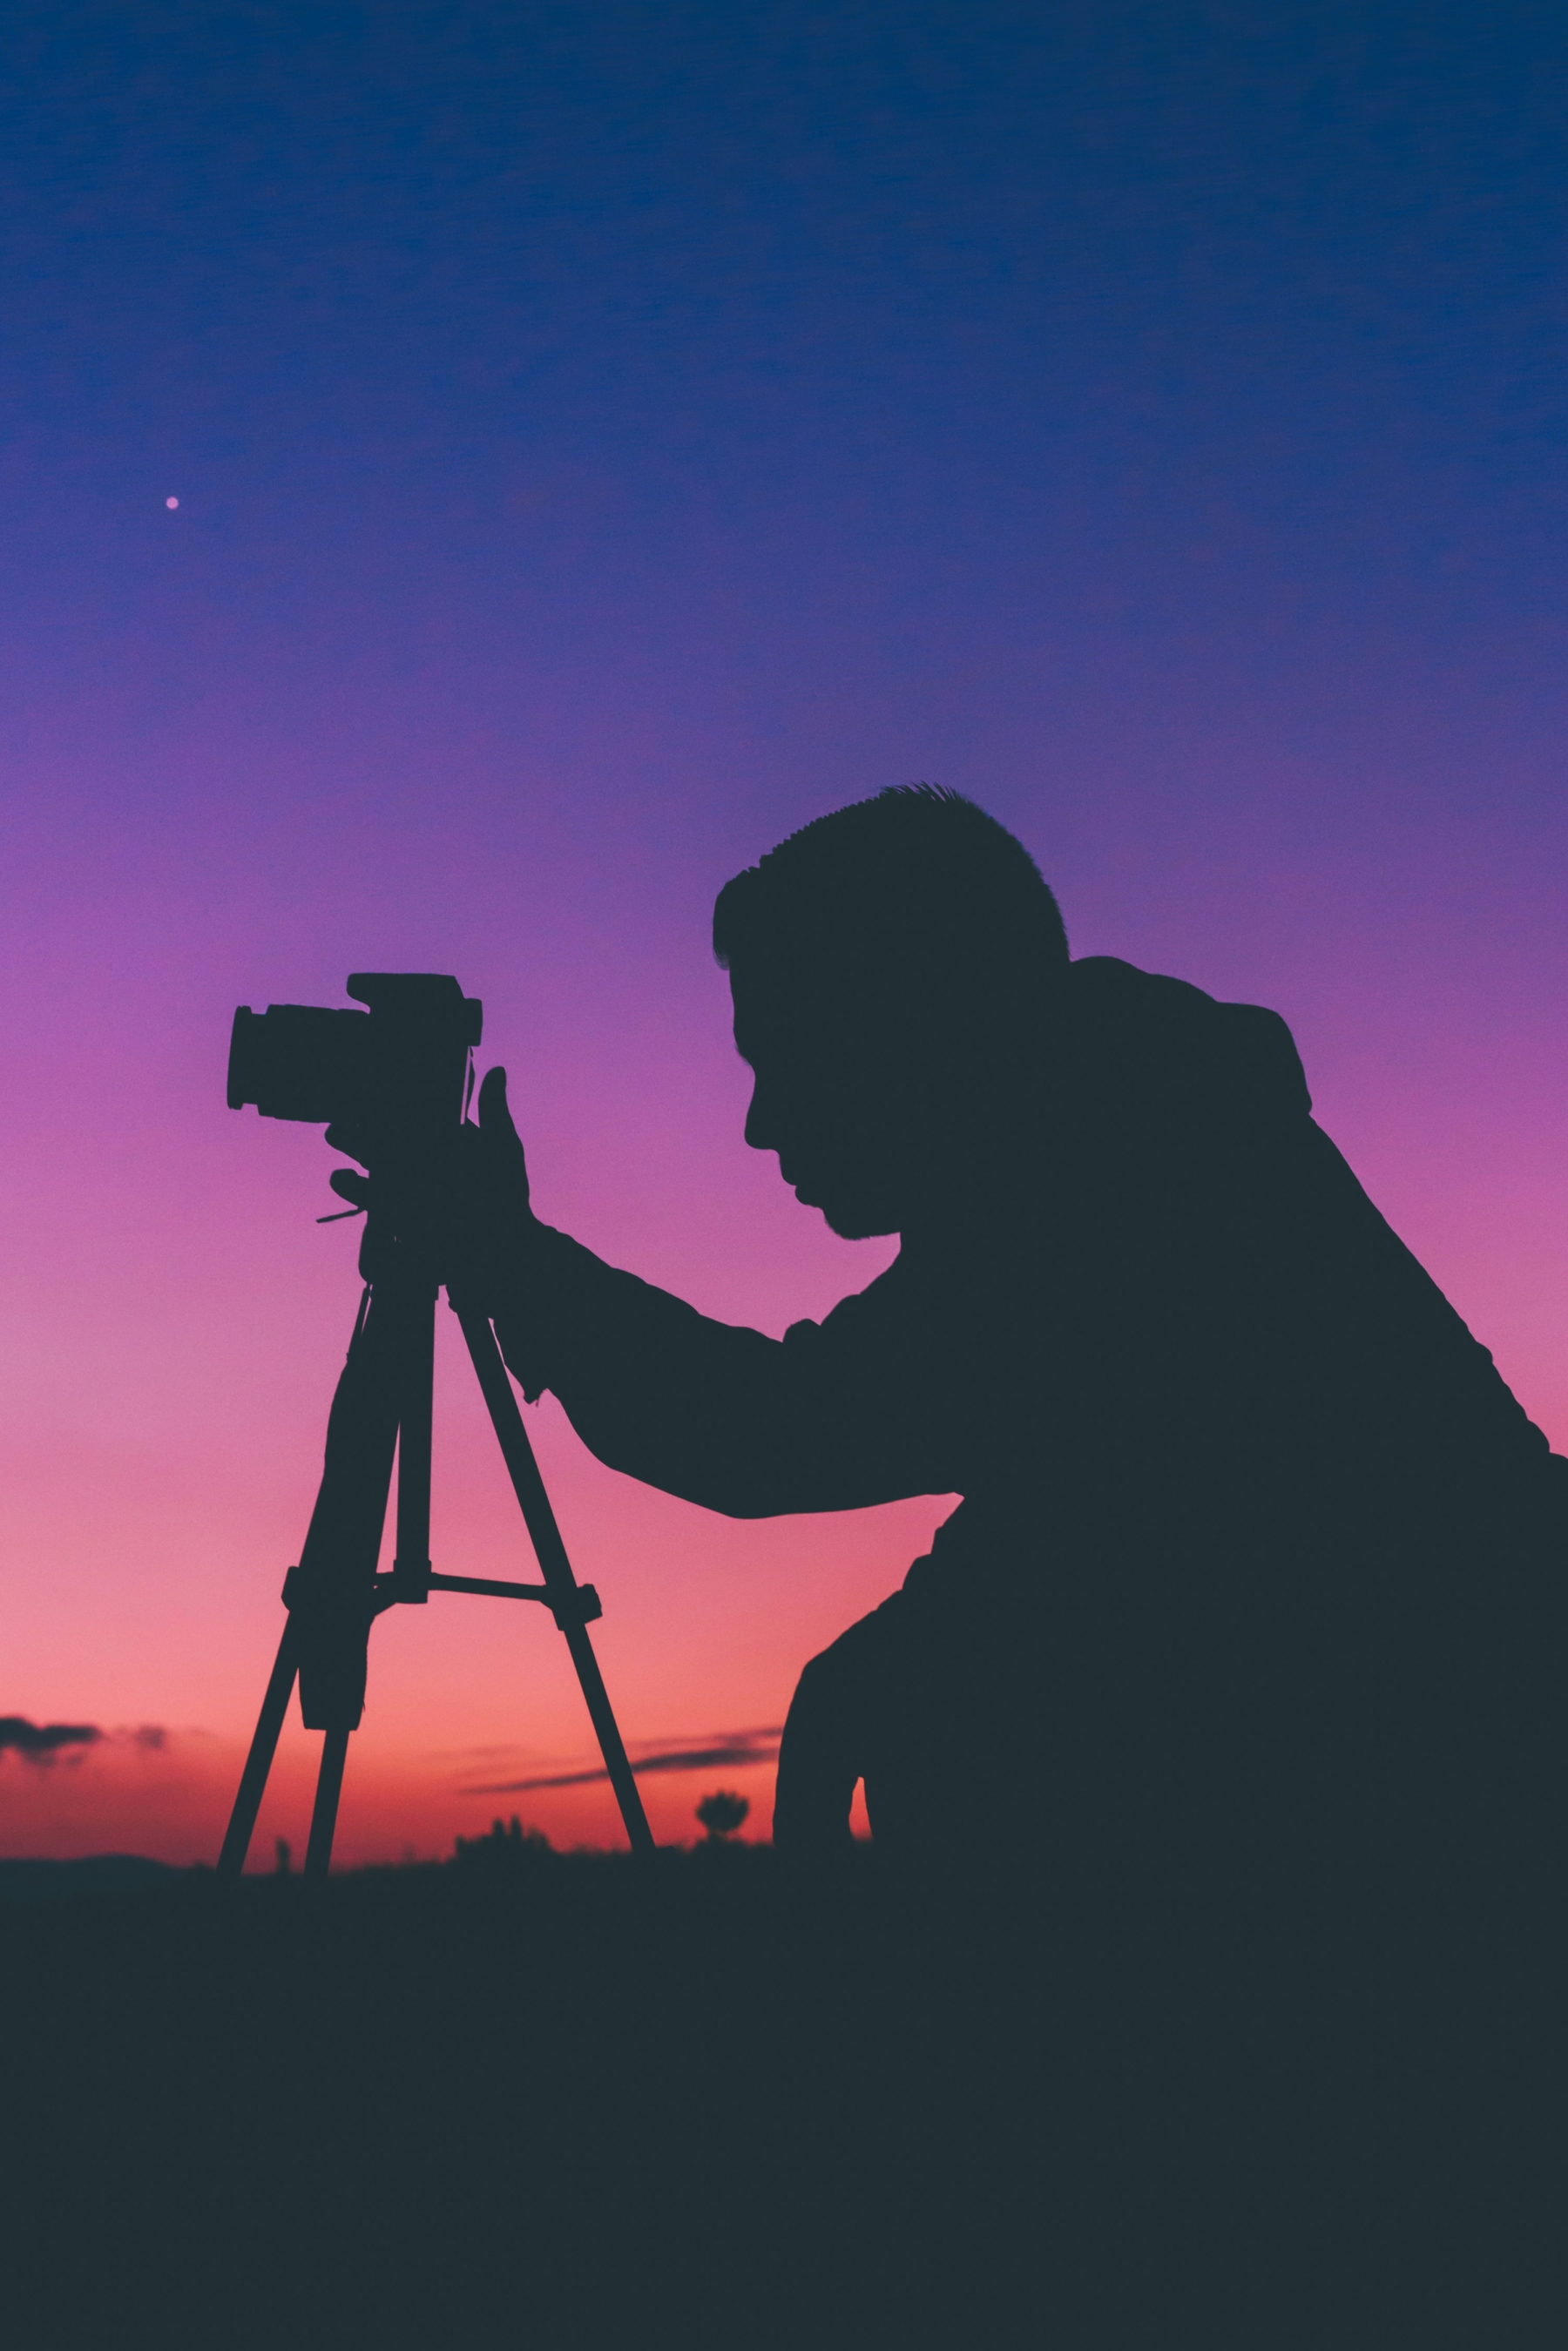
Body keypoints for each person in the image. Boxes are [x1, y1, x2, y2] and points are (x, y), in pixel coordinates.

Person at [336, 787, 1565, 2321]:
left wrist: (509, 1255)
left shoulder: (1113, 1173)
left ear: (920, 1017)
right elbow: (1089, 1487)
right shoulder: (1129, 1126)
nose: (761, 1123)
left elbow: (775, 1432)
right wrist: (887, 1656)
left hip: (1413, 1942)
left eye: (788, 1061)